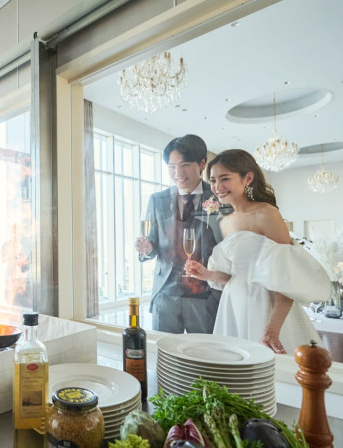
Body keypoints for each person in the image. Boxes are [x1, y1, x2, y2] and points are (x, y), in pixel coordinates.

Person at [184, 149, 331, 354]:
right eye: (213, 180)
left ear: (248, 178)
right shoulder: (225, 223)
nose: (217, 187)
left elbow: (288, 277)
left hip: (266, 307)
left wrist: (273, 329)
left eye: (224, 178)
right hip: (234, 306)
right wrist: (207, 274)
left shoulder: (267, 214)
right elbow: (235, 276)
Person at [135, 134, 223, 333]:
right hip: (165, 294)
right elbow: (153, 243)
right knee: (165, 355)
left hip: (205, 295)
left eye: (184, 165)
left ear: (201, 163)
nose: (177, 173)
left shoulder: (219, 197)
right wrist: (147, 249)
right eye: (171, 166)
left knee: (203, 355)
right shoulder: (157, 200)